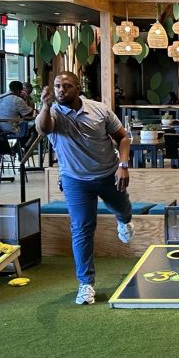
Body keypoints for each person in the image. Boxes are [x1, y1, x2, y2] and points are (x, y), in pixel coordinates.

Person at [35, 71, 134, 305]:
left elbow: (123, 137)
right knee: (81, 229)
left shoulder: (99, 110)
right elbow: (43, 129)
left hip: (108, 174)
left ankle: (125, 220)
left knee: (122, 208)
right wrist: (44, 106)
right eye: (58, 86)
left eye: (67, 86)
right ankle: (86, 284)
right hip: (75, 180)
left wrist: (123, 165)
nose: (61, 90)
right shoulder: (52, 113)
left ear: (78, 88)